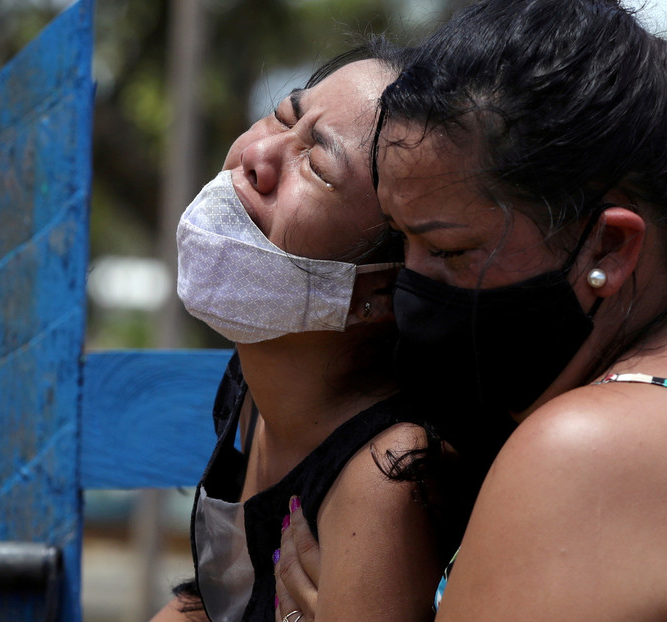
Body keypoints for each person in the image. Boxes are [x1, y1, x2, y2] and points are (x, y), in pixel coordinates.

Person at [275, 1, 667, 619]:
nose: (411, 289)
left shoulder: (581, 449)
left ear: (610, 246)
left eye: (449, 250)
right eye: (400, 241)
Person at [153, 39, 482, 622]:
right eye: (282, 116)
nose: (259, 154)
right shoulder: (256, 379)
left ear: (380, 292)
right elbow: (216, 601)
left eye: (319, 165)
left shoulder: (386, 477)